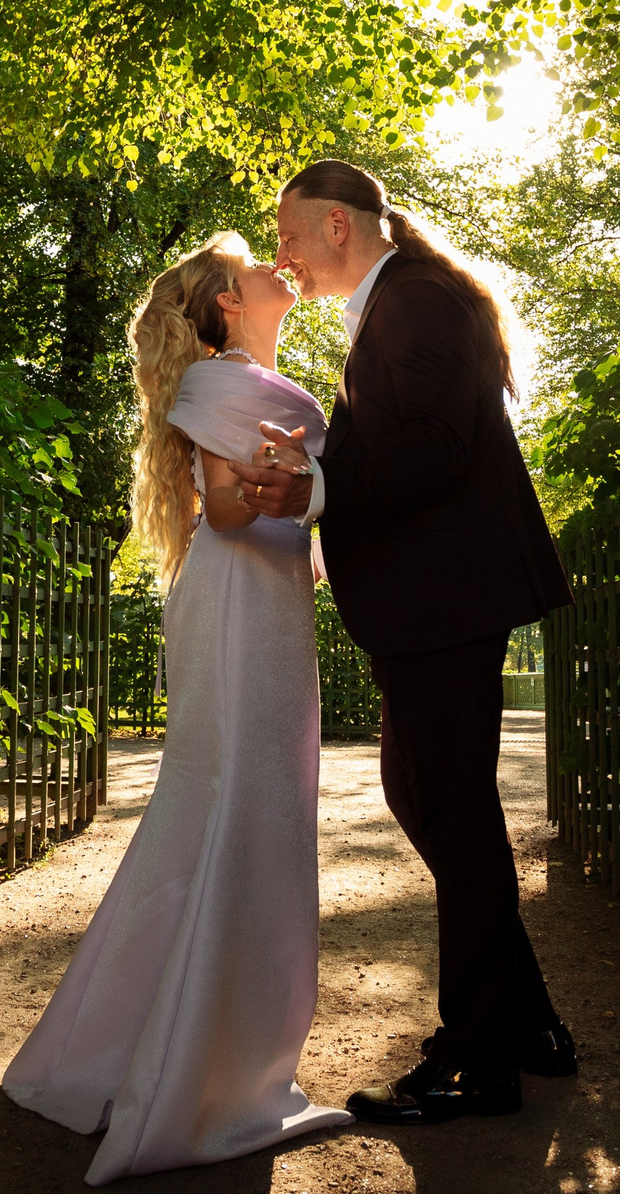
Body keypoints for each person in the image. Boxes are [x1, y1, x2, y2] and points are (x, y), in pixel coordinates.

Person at [0, 233, 352, 1183]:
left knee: (259, 803)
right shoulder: (212, 389)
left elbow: (283, 501)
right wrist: (290, 482)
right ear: (230, 304)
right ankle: (198, 1074)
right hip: (237, 600)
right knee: (236, 801)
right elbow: (233, 515)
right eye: (258, 267)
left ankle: (197, 1046)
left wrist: (303, 483)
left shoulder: (264, 385)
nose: (282, 269)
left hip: (271, 602)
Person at [241, 159, 575, 1125]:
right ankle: (530, 1025)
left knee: (451, 810)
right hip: (437, 595)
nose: (283, 257)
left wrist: (317, 487)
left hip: (449, 592)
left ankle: (476, 1061)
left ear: (339, 226)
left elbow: (433, 448)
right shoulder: (399, 302)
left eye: (291, 235)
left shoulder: (417, 302)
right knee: (428, 798)